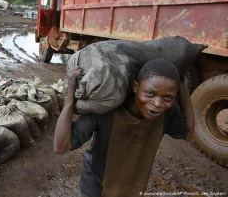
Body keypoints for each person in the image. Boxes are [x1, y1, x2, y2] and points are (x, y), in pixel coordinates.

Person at [54, 59, 194, 197]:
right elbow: (61, 145)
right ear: (135, 87)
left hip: (132, 186)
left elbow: (188, 133)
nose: (158, 103)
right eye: (150, 93)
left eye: (167, 98)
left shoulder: (167, 113)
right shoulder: (107, 110)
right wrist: (71, 93)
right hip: (97, 184)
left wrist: (184, 89)